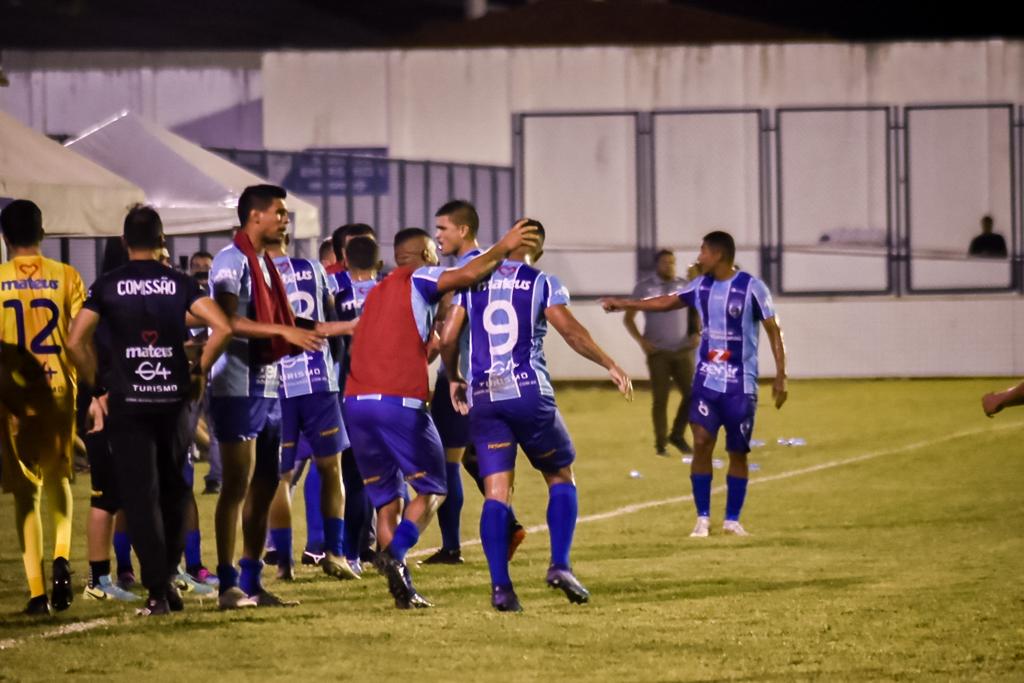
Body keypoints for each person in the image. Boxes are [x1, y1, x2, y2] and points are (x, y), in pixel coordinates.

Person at [342, 221, 540, 609]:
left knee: (387, 502)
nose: (438, 259)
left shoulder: (379, 292)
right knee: (434, 488)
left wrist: (433, 342)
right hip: (398, 404)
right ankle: (395, 554)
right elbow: (466, 273)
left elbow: (417, 349)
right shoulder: (419, 277)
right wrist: (505, 246)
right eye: (434, 252)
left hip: (356, 403)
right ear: (419, 256)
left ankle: (402, 588)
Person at [441, 219, 633, 612]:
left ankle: (501, 589)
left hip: (484, 396)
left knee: (496, 491)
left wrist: (453, 377)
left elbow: (448, 336)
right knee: (561, 475)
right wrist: (609, 363)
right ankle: (560, 565)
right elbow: (572, 332)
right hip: (529, 394)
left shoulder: (473, 281)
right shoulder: (542, 282)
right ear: (539, 251)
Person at [67, 205, 232, 616]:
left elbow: (75, 342)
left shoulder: (107, 284)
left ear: (125, 243)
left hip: (129, 402)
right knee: (176, 491)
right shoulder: (177, 283)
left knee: (141, 498)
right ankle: (170, 578)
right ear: (162, 241)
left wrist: (98, 383)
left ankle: (158, 590)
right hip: (173, 400)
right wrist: (199, 367)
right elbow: (223, 326)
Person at [602, 231, 788, 538]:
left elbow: (773, 330)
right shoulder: (700, 286)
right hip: (706, 382)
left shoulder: (752, 288)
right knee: (701, 443)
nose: (698, 257)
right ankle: (702, 519)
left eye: (703, 251)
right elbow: (665, 302)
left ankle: (732, 520)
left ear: (718, 255)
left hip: (740, 385)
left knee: (738, 452)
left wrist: (781, 375)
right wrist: (624, 303)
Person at [208, 184, 323, 609]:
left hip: (269, 384)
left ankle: (252, 579)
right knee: (236, 483)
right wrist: (281, 330)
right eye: (279, 212)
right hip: (235, 385)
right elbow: (225, 318)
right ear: (255, 216)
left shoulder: (262, 262)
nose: (285, 218)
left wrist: (302, 327)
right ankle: (226, 584)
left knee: (267, 482)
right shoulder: (231, 260)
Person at [0, 199, 84, 616]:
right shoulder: (66, 275)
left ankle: (36, 593)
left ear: (4, 237)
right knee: (58, 480)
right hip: (57, 389)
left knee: (23, 494)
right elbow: (78, 337)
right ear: (43, 233)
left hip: (12, 398)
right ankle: (63, 555)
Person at [265, 235, 359, 581]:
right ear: (288, 238)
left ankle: (284, 566)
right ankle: (336, 553)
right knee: (331, 469)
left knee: (282, 476)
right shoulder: (313, 269)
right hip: (319, 381)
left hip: (277, 385)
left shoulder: (253, 271)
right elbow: (329, 320)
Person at [330, 234, 381, 569]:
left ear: (345, 259)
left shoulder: (333, 287)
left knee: (347, 475)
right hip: (385, 393)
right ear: (378, 262)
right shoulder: (389, 290)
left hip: (345, 392)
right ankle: (366, 552)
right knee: (375, 477)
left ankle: (346, 552)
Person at [625, 249, 699, 457]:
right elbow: (628, 318)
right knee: (661, 398)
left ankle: (677, 435)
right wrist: (642, 341)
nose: (670, 266)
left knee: (693, 395)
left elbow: (695, 311)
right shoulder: (644, 288)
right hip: (658, 352)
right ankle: (661, 444)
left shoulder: (684, 285)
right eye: (666, 263)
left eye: (673, 263)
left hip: (683, 350)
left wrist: (696, 332)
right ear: (657, 265)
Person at [187, 250, 221, 496]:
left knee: (215, 429)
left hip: (214, 371)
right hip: (188, 372)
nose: (201, 270)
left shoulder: (217, 297)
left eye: (205, 266)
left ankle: (215, 478)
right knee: (185, 428)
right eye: (196, 266)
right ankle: (182, 477)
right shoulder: (184, 295)